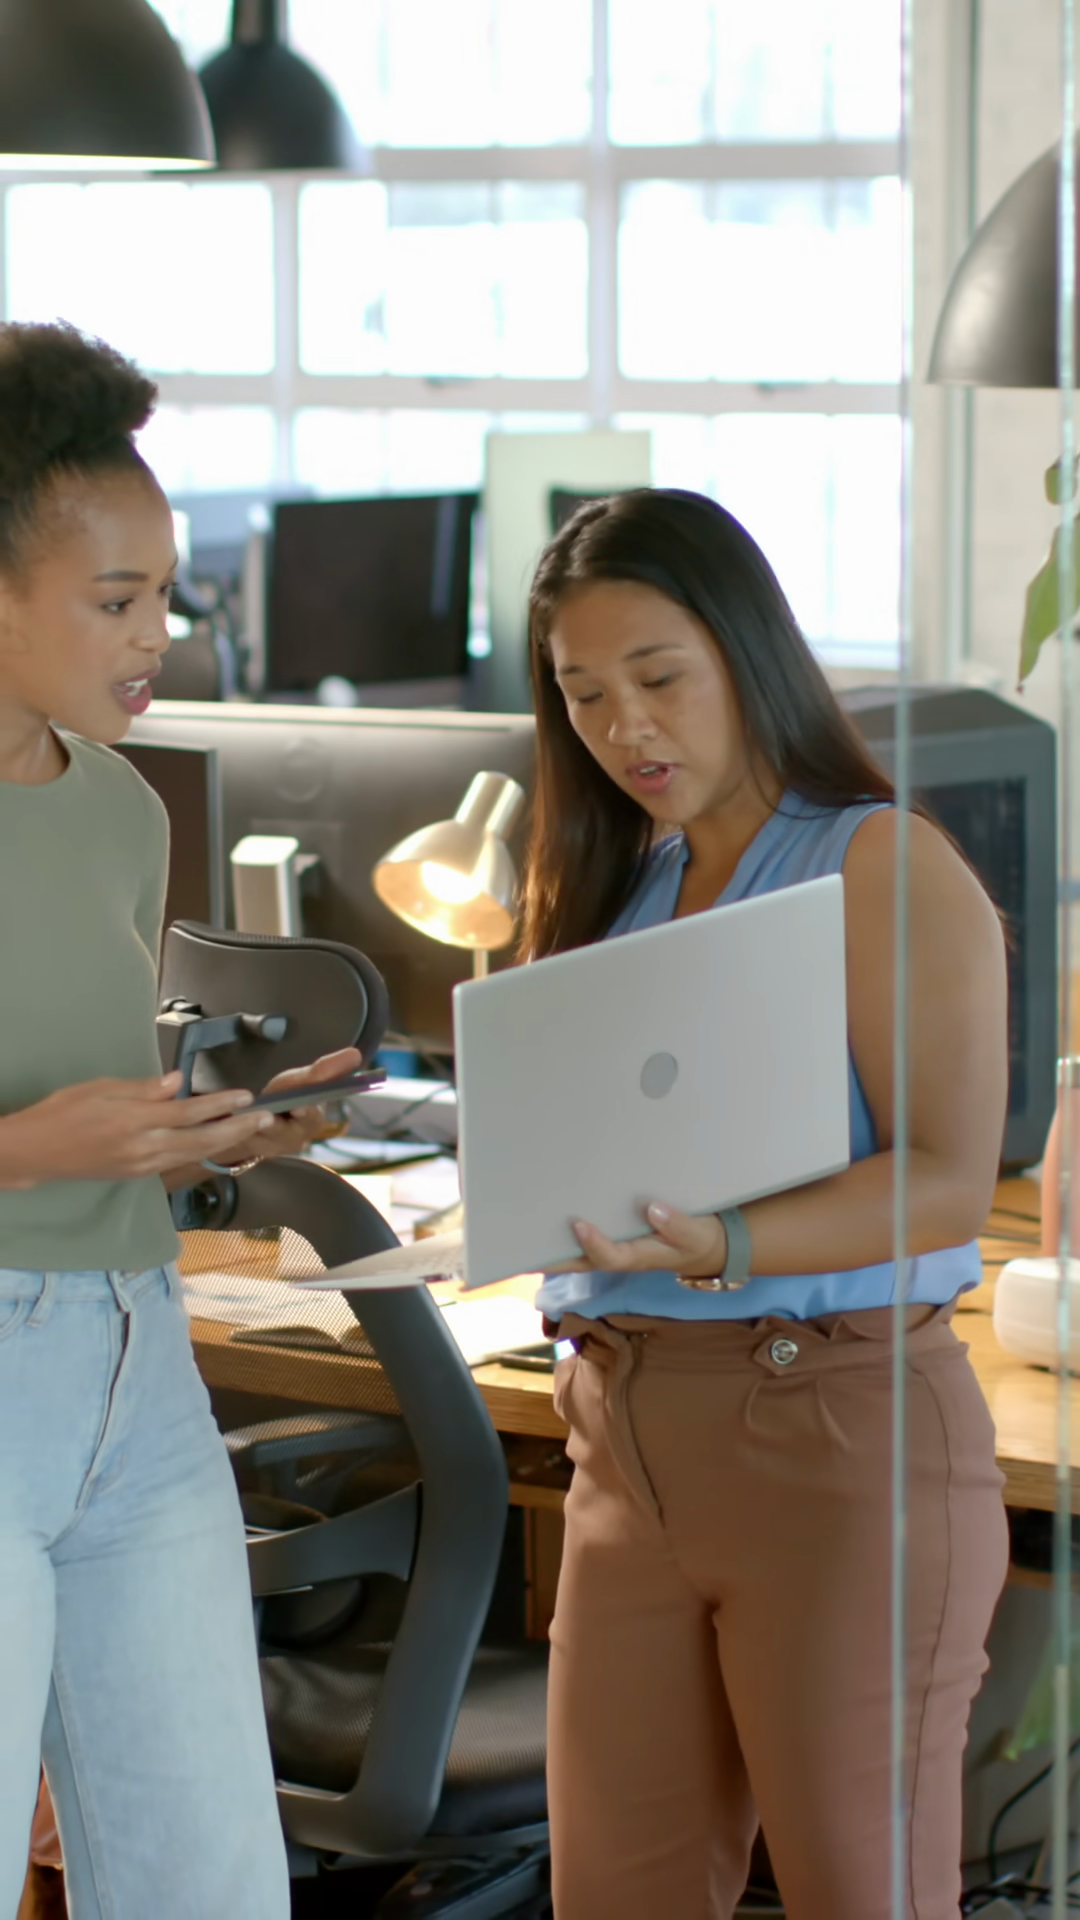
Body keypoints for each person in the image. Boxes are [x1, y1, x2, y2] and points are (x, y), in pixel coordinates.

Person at [524, 489, 1010, 1920]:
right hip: (626, 1436)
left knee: (865, 1895)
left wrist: (727, 1242)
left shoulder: (879, 861)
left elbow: (945, 1178)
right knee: (614, 1897)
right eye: (585, 695)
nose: (626, 727)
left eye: (659, 678)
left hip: (829, 1436)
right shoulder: (626, 884)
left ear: (748, 656)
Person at [0, 322, 362, 1920]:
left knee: (209, 1884)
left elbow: (93, 1085)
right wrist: (29, 1151)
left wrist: (212, 1135)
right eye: (115, 600)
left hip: (136, 1360)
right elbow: (42, 1129)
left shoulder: (121, 808)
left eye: (166, 593)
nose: (161, 634)